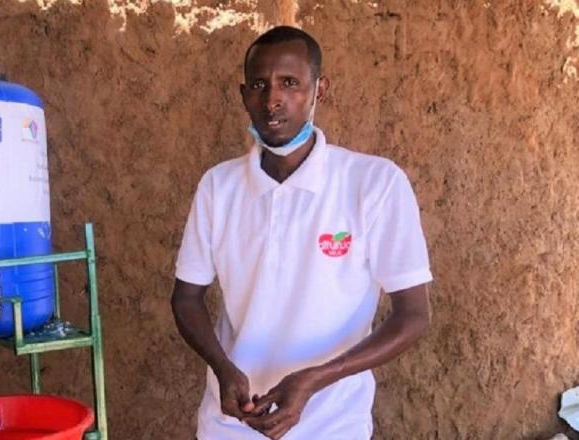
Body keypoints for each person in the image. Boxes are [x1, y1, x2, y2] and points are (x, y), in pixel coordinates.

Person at [171, 26, 432, 439]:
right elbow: (186, 297)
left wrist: (314, 380)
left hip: (333, 423)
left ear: (319, 90)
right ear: (243, 95)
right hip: (233, 423)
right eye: (259, 84)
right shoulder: (218, 188)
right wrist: (223, 368)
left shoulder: (374, 183)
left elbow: (414, 316)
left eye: (289, 83)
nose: (272, 100)